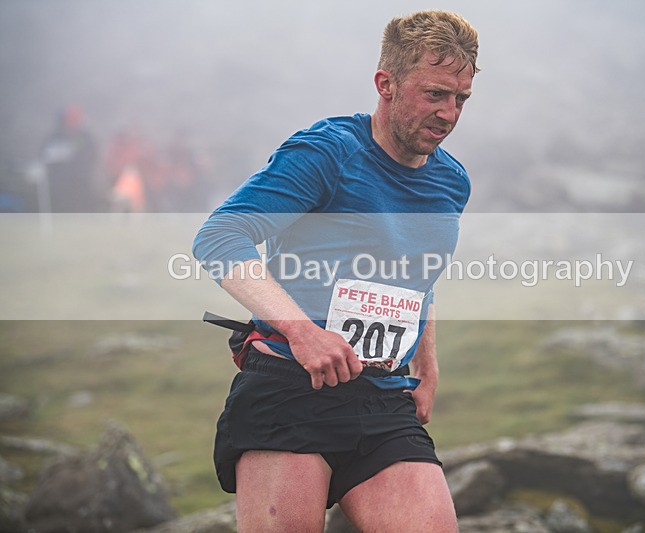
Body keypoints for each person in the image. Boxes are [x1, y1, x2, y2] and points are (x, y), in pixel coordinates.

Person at [192, 10, 478, 532]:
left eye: (460, 99)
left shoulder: (451, 183)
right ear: (385, 84)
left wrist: (427, 368)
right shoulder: (328, 152)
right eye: (435, 94)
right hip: (290, 388)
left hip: (383, 398)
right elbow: (219, 238)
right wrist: (303, 334)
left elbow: (422, 276)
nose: (449, 113)